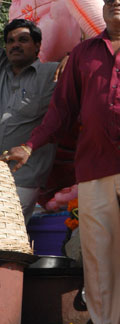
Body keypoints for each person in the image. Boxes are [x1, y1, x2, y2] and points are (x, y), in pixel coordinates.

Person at [5, 0, 120, 324]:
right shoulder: (83, 54)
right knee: (98, 254)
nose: (116, 2)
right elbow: (61, 110)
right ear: (103, 7)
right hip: (94, 163)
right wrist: (30, 145)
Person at [0, 18, 58, 223]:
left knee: (5, 235)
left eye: (23, 40)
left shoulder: (51, 73)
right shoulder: (2, 69)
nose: (15, 44)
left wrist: (72, 56)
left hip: (22, 175)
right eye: (10, 40)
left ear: (37, 46)